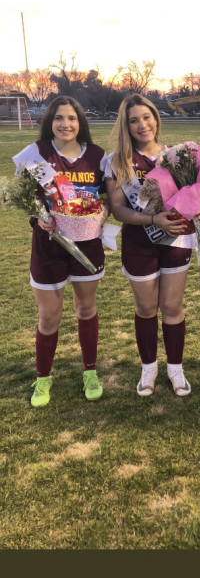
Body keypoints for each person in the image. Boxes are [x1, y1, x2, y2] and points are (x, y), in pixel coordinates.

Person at [105, 94, 200, 398]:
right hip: (139, 243)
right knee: (145, 308)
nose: (143, 125)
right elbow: (119, 210)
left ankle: (176, 368)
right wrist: (154, 219)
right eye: (134, 120)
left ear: (156, 117)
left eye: (147, 116)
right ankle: (149, 367)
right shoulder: (115, 161)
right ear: (126, 126)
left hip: (176, 240)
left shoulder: (175, 155)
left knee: (172, 307)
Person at [12, 96, 108, 408]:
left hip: (87, 245)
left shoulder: (96, 156)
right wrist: (36, 219)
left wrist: (103, 213)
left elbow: (108, 199)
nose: (65, 124)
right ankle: (43, 378)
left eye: (71, 118)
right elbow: (23, 198)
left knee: (86, 309)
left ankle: (90, 372)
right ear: (49, 121)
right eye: (59, 118)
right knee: (49, 315)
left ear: (81, 122)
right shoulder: (35, 154)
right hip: (48, 248)